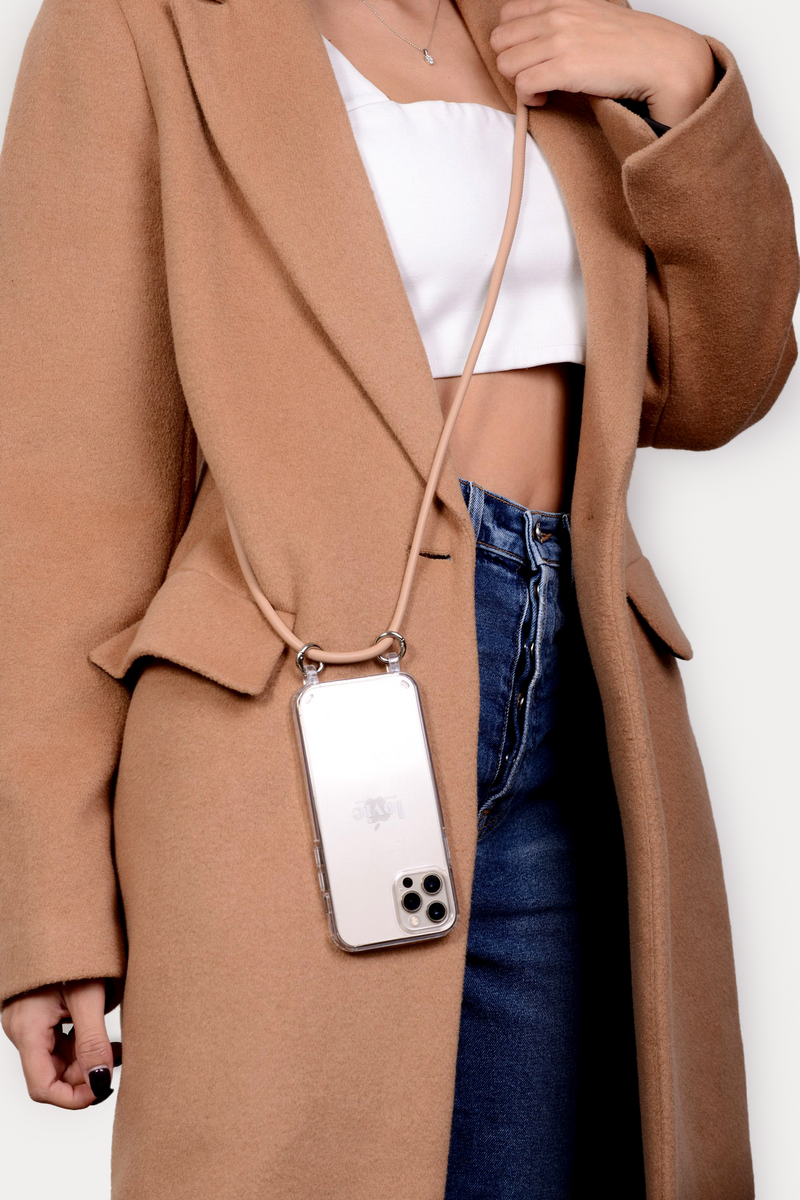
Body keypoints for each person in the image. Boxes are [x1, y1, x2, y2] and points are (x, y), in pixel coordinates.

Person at [0, 0, 796, 1196]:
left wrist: (687, 92)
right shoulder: (142, 24)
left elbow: (713, 389)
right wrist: (48, 908)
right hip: (288, 718)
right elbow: (65, 491)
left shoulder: (550, 26)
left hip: (579, 698)